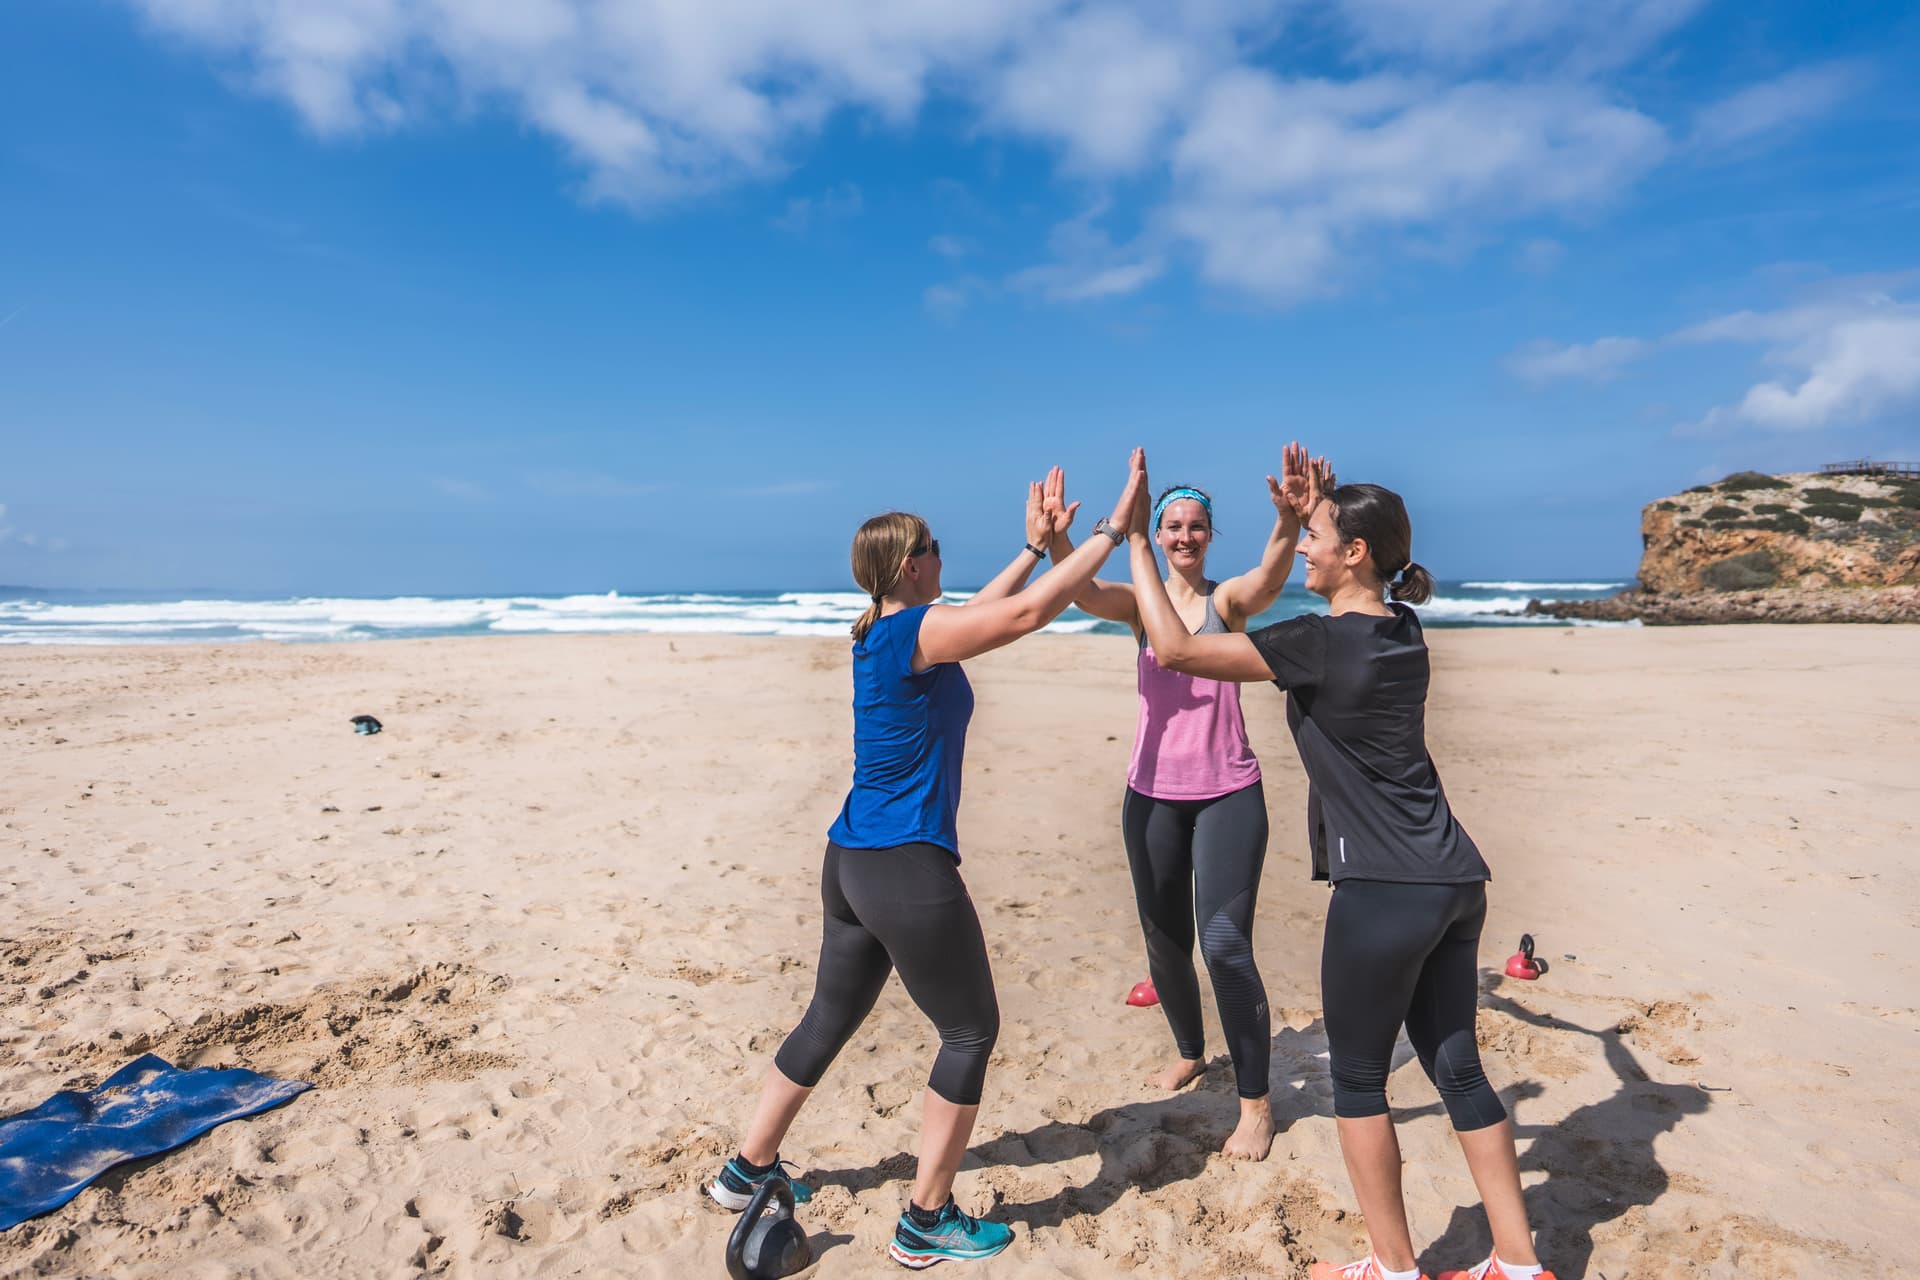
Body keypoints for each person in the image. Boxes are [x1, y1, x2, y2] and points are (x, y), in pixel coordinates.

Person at [710, 452, 1149, 1270]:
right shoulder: (917, 632)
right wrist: (1110, 533)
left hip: (850, 862)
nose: (946, 553)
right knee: (970, 1029)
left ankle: (747, 1170)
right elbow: (1019, 621)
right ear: (910, 564)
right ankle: (926, 1218)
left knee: (827, 1019)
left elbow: (987, 609)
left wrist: (1033, 547)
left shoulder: (885, 632)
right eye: (937, 544)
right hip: (905, 867)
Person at [1126, 460, 1556, 1280]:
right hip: (1455, 879)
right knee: (1458, 1068)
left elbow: (1175, 647)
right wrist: (1301, 513)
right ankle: (1519, 1262)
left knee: (1359, 1081)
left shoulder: (1315, 642)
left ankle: (1392, 1267)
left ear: (1356, 551)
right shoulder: (1405, 628)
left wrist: (1138, 539)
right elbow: (1320, 579)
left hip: (1384, 890)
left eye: (1319, 543)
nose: (1307, 558)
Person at [1035, 445, 1321, 1159]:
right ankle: (1192, 1051)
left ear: (1208, 535)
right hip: (1151, 797)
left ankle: (1256, 1104)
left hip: (1229, 793)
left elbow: (1269, 578)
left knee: (1224, 945)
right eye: (1172, 526)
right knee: (1166, 945)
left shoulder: (1226, 604)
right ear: (1156, 537)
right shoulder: (1141, 605)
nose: (1185, 535)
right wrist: (1061, 539)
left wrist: (1288, 522)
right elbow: (1081, 594)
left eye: (1197, 525)